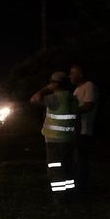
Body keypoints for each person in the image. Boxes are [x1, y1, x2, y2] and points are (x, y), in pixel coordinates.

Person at [30, 71, 79, 199]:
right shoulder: (73, 98)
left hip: (55, 139)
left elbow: (34, 99)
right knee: (68, 167)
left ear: (54, 84)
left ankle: (59, 197)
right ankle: (69, 194)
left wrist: (46, 88)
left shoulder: (54, 99)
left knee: (56, 168)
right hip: (69, 138)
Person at [70, 63, 99, 193]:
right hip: (76, 130)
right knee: (76, 159)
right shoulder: (76, 90)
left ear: (80, 74)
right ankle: (78, 185)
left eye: (72, 73)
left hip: (84, 130)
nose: (70, 75)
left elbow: (89, 106)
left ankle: (82, 188)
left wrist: (71, 111)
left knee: (81, 159)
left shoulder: (89, 86)